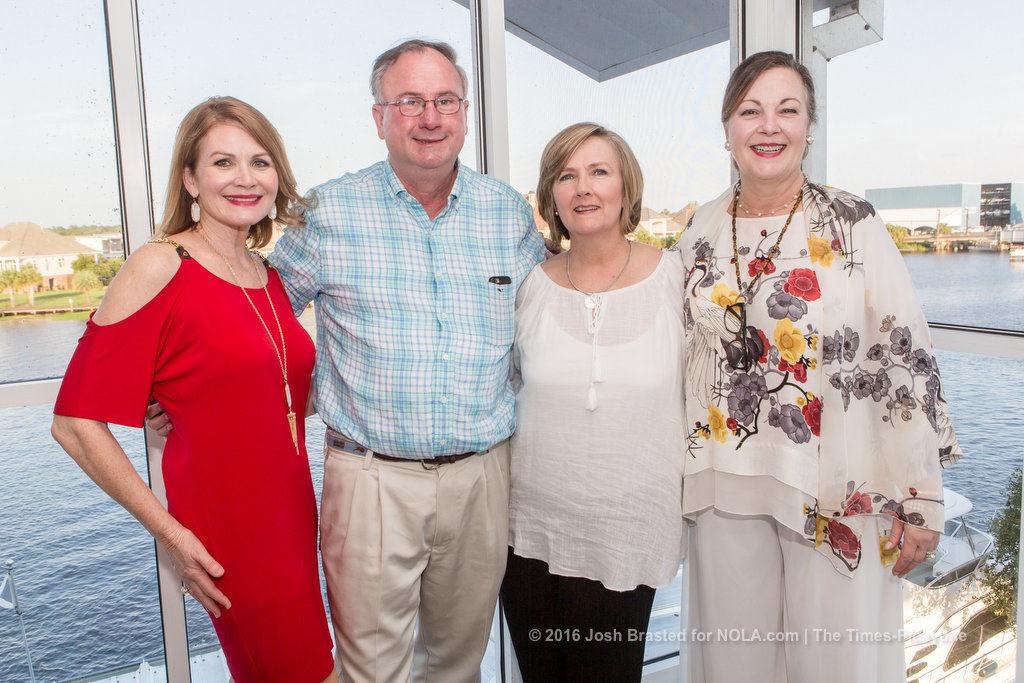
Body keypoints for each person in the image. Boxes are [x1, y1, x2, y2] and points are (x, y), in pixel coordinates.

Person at [268, 40, 546, 682]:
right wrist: (185, 387)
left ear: (464, 111)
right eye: (411, 101)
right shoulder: (328, 212)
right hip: (371, 482)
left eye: (445, 100)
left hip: (482, 480)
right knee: (371, 671)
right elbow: (258, 318)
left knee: (456, 665)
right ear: (379, 117)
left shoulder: (504, 212)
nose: (430, 117)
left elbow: (548, 314)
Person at [678, 51, 962, 682]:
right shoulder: (697, 231)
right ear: (726, 128)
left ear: (811, 125)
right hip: (726, 483)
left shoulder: (851, 222)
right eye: (750, 111)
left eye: (788, 109)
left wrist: (920, 499)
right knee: (734, 664)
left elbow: (904, 359)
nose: (768, 126)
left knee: (833, 664)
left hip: (835, 486)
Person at [51, 97, 337, 683]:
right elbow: (75, 423)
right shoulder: (161, 263)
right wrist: (172, 535)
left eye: (259, 162)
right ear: (190, 179)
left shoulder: (268, 274)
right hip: (230, 532)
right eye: (223, 163)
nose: (244, 178)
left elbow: (273, 392)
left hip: (290, 517)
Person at [500, 123, 686, 682]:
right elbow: (506, 385)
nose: (583, 188)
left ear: (626, 187)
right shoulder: (529, 284)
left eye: (598, 172)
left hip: (628, 531)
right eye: (567, 175)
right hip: (529, 531)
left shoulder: (679, 279)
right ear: (551, 195)